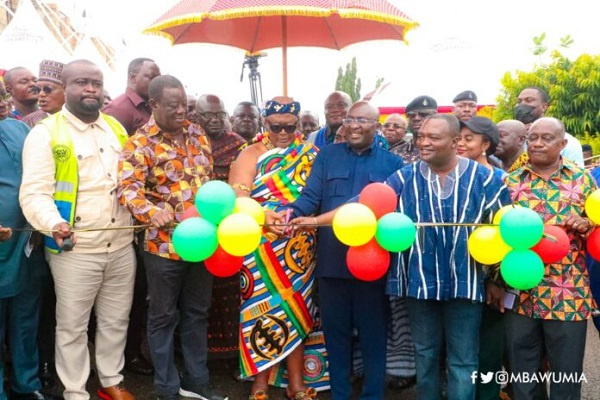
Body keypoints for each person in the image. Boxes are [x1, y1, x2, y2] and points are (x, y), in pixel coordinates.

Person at [19, 59, 136, 400]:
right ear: (65, 88)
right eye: (82, 82)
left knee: (116, 321)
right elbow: (34, 193)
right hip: (75, 249)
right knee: (72, 327)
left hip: (120, 245)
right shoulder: (46, 133)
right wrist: (53, 223)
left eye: (96, 83)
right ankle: (75, 390)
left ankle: (112, 381)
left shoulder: (116, 128)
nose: (90, 89)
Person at [385, 114, 510, 400]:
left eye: (433, 137)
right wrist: (313, 220)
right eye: (421, 137)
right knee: (425, 355)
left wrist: (496, 280)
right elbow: (369, 207)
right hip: (418, 282)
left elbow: (503, 232)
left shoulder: (487, 179)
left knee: (464, 359)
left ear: (455, 142)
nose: (423, 143)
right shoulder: (404, 177)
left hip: (466, 282)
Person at [118, 75, 226, 400]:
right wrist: (151, 212)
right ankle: (167, 388)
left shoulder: (197, 133)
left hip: (203, 243)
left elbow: (208, 181)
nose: (181, 111)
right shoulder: (138, 143)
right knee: (163, 316)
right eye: (172, 106)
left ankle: (198, 381)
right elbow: (127, 189)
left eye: (184, 104)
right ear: (153, 105)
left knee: (197, 313)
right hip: (163, 247)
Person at [288, 101, 404, 400]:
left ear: (376, 126)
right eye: (349, 119)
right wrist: (292, 212)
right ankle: (340, 394)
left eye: (362, 120)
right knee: (335, 336)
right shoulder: (327, 156)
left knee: (373, 337)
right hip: (332, 262)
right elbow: (311, 194)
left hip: (373, 265)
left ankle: (372, 395)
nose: (353, 125)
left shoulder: (392, 165)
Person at [228, 96, 320, 400]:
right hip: (259, 242)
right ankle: (260, 383)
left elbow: (319, 193)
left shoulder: (311, 154)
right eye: (276, 126)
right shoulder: (250, 154)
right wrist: (263, 215)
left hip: (299, 243)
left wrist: (304, 218)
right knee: (258, 312)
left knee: (297, 308)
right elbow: (236, 197)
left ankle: (296, 383)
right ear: (264, 123)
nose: (283, 132)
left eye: (290, 127)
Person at [504, 117, 596, 400]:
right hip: (521, 292)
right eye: (533, 138)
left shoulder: (582, 179)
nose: (538, 144)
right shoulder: (510, 182)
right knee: (523, 374)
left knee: (566, 374)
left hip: (568, 291)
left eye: (547, 138)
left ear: (563, 144)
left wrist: (586, 223)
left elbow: (596, 222)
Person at [103, 57, 161, 376]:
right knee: (131, 292)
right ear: (132, 76)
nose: (156, 80)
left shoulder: (151, 110)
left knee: (139, 291)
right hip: (127, 211)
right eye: (151, 75)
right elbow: (117, 164)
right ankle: (125, 356)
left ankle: (132, 352)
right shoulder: (121, 109)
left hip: (149, 216)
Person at [0, 80, 55, 400]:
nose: (3, 102)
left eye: (3, 95)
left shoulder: (20, 130)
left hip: (26, 245)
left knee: (25, 320)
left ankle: (27, 384)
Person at [195, 94, 245, 362]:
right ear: (196, 116)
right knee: (199, 298)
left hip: (230, 229)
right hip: (195, 230)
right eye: (208, 115)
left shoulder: (237, 144)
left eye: (219, 114)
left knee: (230, 294)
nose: (215, 120)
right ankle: (199, 359)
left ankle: (232, 355)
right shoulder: (189, 142)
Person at [515, 86, 584, 167]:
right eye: (519, 101)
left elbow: (576, 175)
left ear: (544, 107)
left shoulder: (569, 143)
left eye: (529, 100)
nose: (522, 104)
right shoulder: (510, 139)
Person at [103, 57, 161, 135]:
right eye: (152, 78)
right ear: (133, 78)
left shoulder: (151, 106)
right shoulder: (119, 109)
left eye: (159, 79)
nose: (157, 83)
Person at [23, 60, 65, 127]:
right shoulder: (29, 122)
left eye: (48, 89)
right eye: (38, 89)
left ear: (65, 90)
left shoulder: (82, 119)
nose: (41, 94)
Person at [400, 95, 438, 164]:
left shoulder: (449, 150)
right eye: (411, 115)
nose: (416, 118)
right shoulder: (396, 153)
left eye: (424, 114)